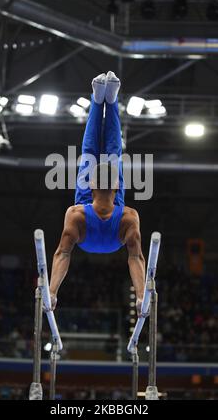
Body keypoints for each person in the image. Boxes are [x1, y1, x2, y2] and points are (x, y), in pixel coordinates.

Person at [49, 72, 146, 316]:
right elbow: (136, 258)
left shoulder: (76, 215)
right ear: (118, 186)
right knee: (96, 150)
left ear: (91, 185)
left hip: (89, 222)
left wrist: (52, 291)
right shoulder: (129, 216)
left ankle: (103, 100)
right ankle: (105, 100)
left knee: (105, 151)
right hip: (114, 232)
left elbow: (63, 253)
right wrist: (142, 295)